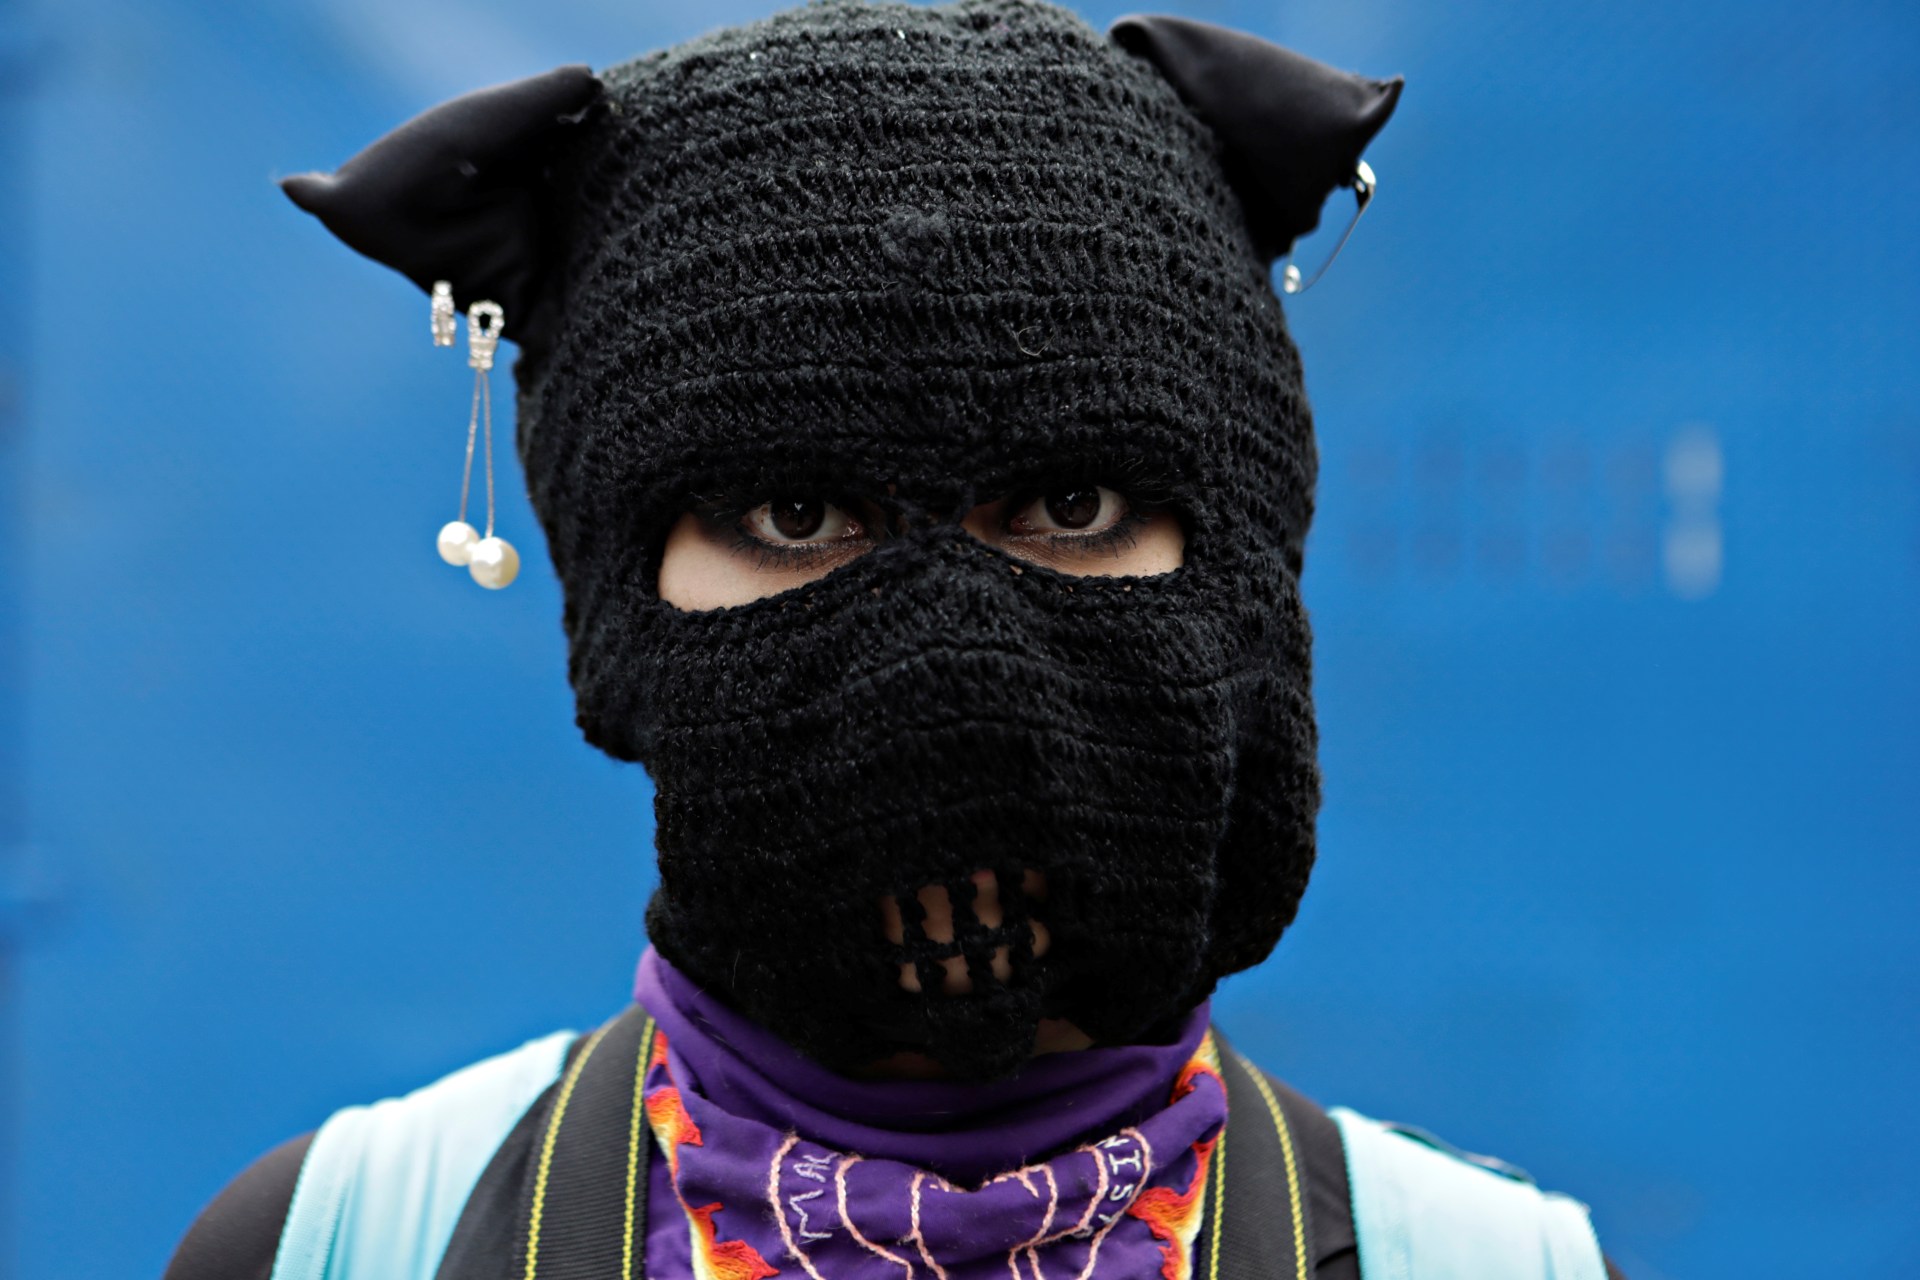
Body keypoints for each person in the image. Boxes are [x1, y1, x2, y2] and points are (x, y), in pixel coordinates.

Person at [165, 1, 1627, 1276]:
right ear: (616, 600)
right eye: (797, 512)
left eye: (1073, 499)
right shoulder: (334, 1250)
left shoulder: (1498, 1267)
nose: (958, 671)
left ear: (1243, 569)